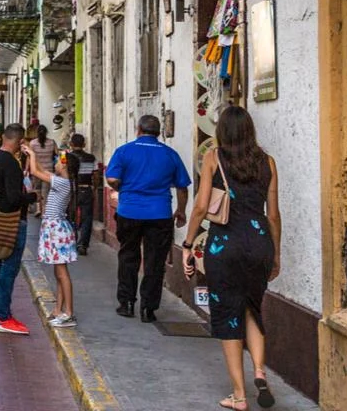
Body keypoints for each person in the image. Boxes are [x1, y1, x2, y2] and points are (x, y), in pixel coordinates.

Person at [182, 107, 282, 411]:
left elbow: (200, 207)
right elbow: (274, 215)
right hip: (259, 243)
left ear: (222, 131)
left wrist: (188, 244)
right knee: (252, 309)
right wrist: (275, 254)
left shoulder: (214, 157)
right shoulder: (267, 162)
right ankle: (260, 372)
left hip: (225, 246)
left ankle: (239, 396)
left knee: (228, 316)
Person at [105, 114, 192, 322]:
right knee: (155, 261)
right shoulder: (170, 154)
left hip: (129, 212)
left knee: (128, 257)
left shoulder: (124, 151)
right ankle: (148, 309)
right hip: (160, 214)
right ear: (158, 132)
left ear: (138, 130)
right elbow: (182, 187)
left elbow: (112, 178)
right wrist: (180, 210)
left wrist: (123, 188)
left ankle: (126, 304)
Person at [0, 123, 40, 335]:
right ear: (19, 142)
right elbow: (13, 197)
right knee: (9, 267)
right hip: (12, 220)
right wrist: (33, 196)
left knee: (0, 264)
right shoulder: (10, 163)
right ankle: (3, 315)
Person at [23, 146, 79, 326]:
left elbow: (34, 171)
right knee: (59, 272)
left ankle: (68, 312)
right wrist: (33, 156)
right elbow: (39, 169)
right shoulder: (63, 181)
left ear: (64, 166)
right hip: (54, 228)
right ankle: (59, 309)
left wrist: (32, 154)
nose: (55, 162)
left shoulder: (62, 182)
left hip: (56, 229)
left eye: (58, 161)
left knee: (62, 273)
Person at [67, 133, 99, 255]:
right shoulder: (91, 158)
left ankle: (71, 241)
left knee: (70, 216)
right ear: (84, 144)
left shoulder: (66, 157)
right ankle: (83, 244)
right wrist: (94, 188)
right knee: (87, 218)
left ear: (71, 144)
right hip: (86, 190)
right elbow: (96, 176)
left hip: (71, 190)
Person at [28, 123, 57, 211]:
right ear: (46, 132)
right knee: (46, 192)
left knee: (37, 189)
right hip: (48, 170)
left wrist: (27, 169)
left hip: (36, 169)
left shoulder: (32, 143)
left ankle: (38, 209)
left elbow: (30, 157)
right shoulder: (52, 142)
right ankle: (44, 211)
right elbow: (58, 154)